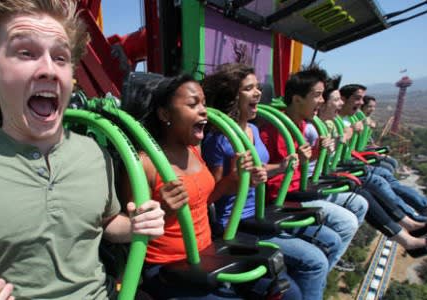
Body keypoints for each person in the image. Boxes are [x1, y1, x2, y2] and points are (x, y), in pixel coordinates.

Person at [0, 1, 165, 299]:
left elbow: (106, 224)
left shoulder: (95, 153)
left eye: (60, 58)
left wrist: (135, 225)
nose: (48, 70)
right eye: (26, 53)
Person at [122, 73, 301, 299]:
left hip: (207, 253)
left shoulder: (194, 150)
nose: (204, 110)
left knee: (290, 292)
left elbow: (203, 201)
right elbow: (129, 233)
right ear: (165, 114)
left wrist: (232, 182)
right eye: (193, 104)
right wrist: (163, 211)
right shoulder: (143, 164)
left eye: (204, 103)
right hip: (169, 268)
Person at [201, 63, 342, 300]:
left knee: (320, 251)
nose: (258, 93)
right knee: (310, 266)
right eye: (249, 89)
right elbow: (208, 197)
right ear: (233, 97)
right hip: (234, 223)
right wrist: (233, 181)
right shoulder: (218, 140)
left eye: (257, 87)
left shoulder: (253, 131)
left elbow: (259, 169)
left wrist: (281, 167)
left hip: (258, 212)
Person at [315, 77, 427, 257]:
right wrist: (345, 135)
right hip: (327, 172)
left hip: (333, 168)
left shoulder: (330, 122)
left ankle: (412, 225)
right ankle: (415, 221)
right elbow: (324, 150)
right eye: (336, 100)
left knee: (379, 177)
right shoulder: (323, 124)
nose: (341, 103)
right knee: (372, 183)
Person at [258, 65, 369, 272]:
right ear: (297, 99)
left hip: (297, 188)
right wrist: (293, 164)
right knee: (347, 223)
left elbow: (299, 162)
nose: (321, 100)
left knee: (359, 202)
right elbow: (271, 176)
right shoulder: (275, 129)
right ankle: (321, 272)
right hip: (286, 195)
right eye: (317, 95)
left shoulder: (299, 125)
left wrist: (318, 151)